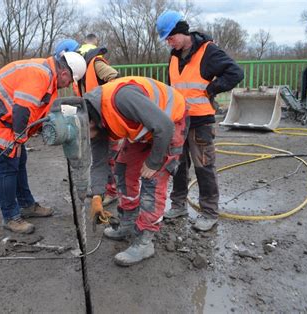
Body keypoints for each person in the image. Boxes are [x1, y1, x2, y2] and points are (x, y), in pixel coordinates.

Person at [0, 52, 86, 234]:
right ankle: (10, 217)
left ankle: (27, 204)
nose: (67, 86)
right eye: (69, 82)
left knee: (19, 159)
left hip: (2, 117)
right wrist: (19, 138)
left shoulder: (47, 75)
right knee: (7, 166)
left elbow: (37, 109)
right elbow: (22, 109)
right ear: (65, 74)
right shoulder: (41, 74)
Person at [84, 76, 188, 266]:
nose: (87, 139)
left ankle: (145, 241)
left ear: (89, 122)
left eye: (85, 134)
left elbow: (164, 126)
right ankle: (128, 223)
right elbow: (99, 163)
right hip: (147, 129)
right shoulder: (93, 120)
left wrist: (154, 162)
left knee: (152, 180)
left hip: (169, 122)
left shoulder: (121, 98)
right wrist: (97, 196)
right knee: (123, 169)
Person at [156, 11, 244, 231]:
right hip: (179, 120)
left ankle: (209, 212)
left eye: (170, 37)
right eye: (167, 38)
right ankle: (178, 205)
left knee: (203, 166)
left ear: (182, 31)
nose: (169, 41)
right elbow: (173, 87)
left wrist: (212, 89)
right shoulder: (174, 56)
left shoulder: (208, 52)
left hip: (200, 121)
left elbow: (235, 72)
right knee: (178, 165)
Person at [76, 34, 121, 207]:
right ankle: (100, 188)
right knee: (98, 156)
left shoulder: (95, 63)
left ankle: (112, 191)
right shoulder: (81, 65)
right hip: (94, 116)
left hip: (106, 116)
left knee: (111, 155)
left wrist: (104, 99)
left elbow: (116, 78)